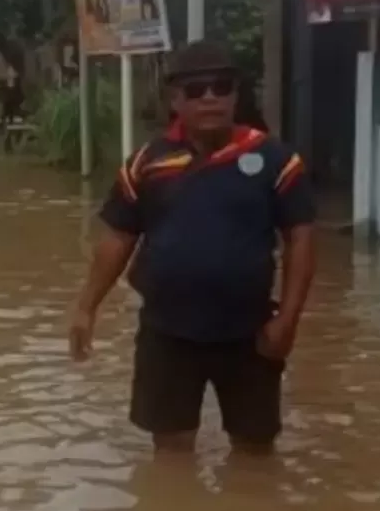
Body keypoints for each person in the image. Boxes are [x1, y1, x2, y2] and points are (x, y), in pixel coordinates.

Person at [68, 40, 316, 456]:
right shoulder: (146, 163)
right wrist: (85, 307)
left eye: (221, 87)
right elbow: (118, 240)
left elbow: (300, 240)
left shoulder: (275, 160)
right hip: (167, 332)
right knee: (169, 455)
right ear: (175, 100)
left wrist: (288, 321)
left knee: (255, 454)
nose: (210, 98)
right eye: (196, 90)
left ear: (236, 95)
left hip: (249, 332)